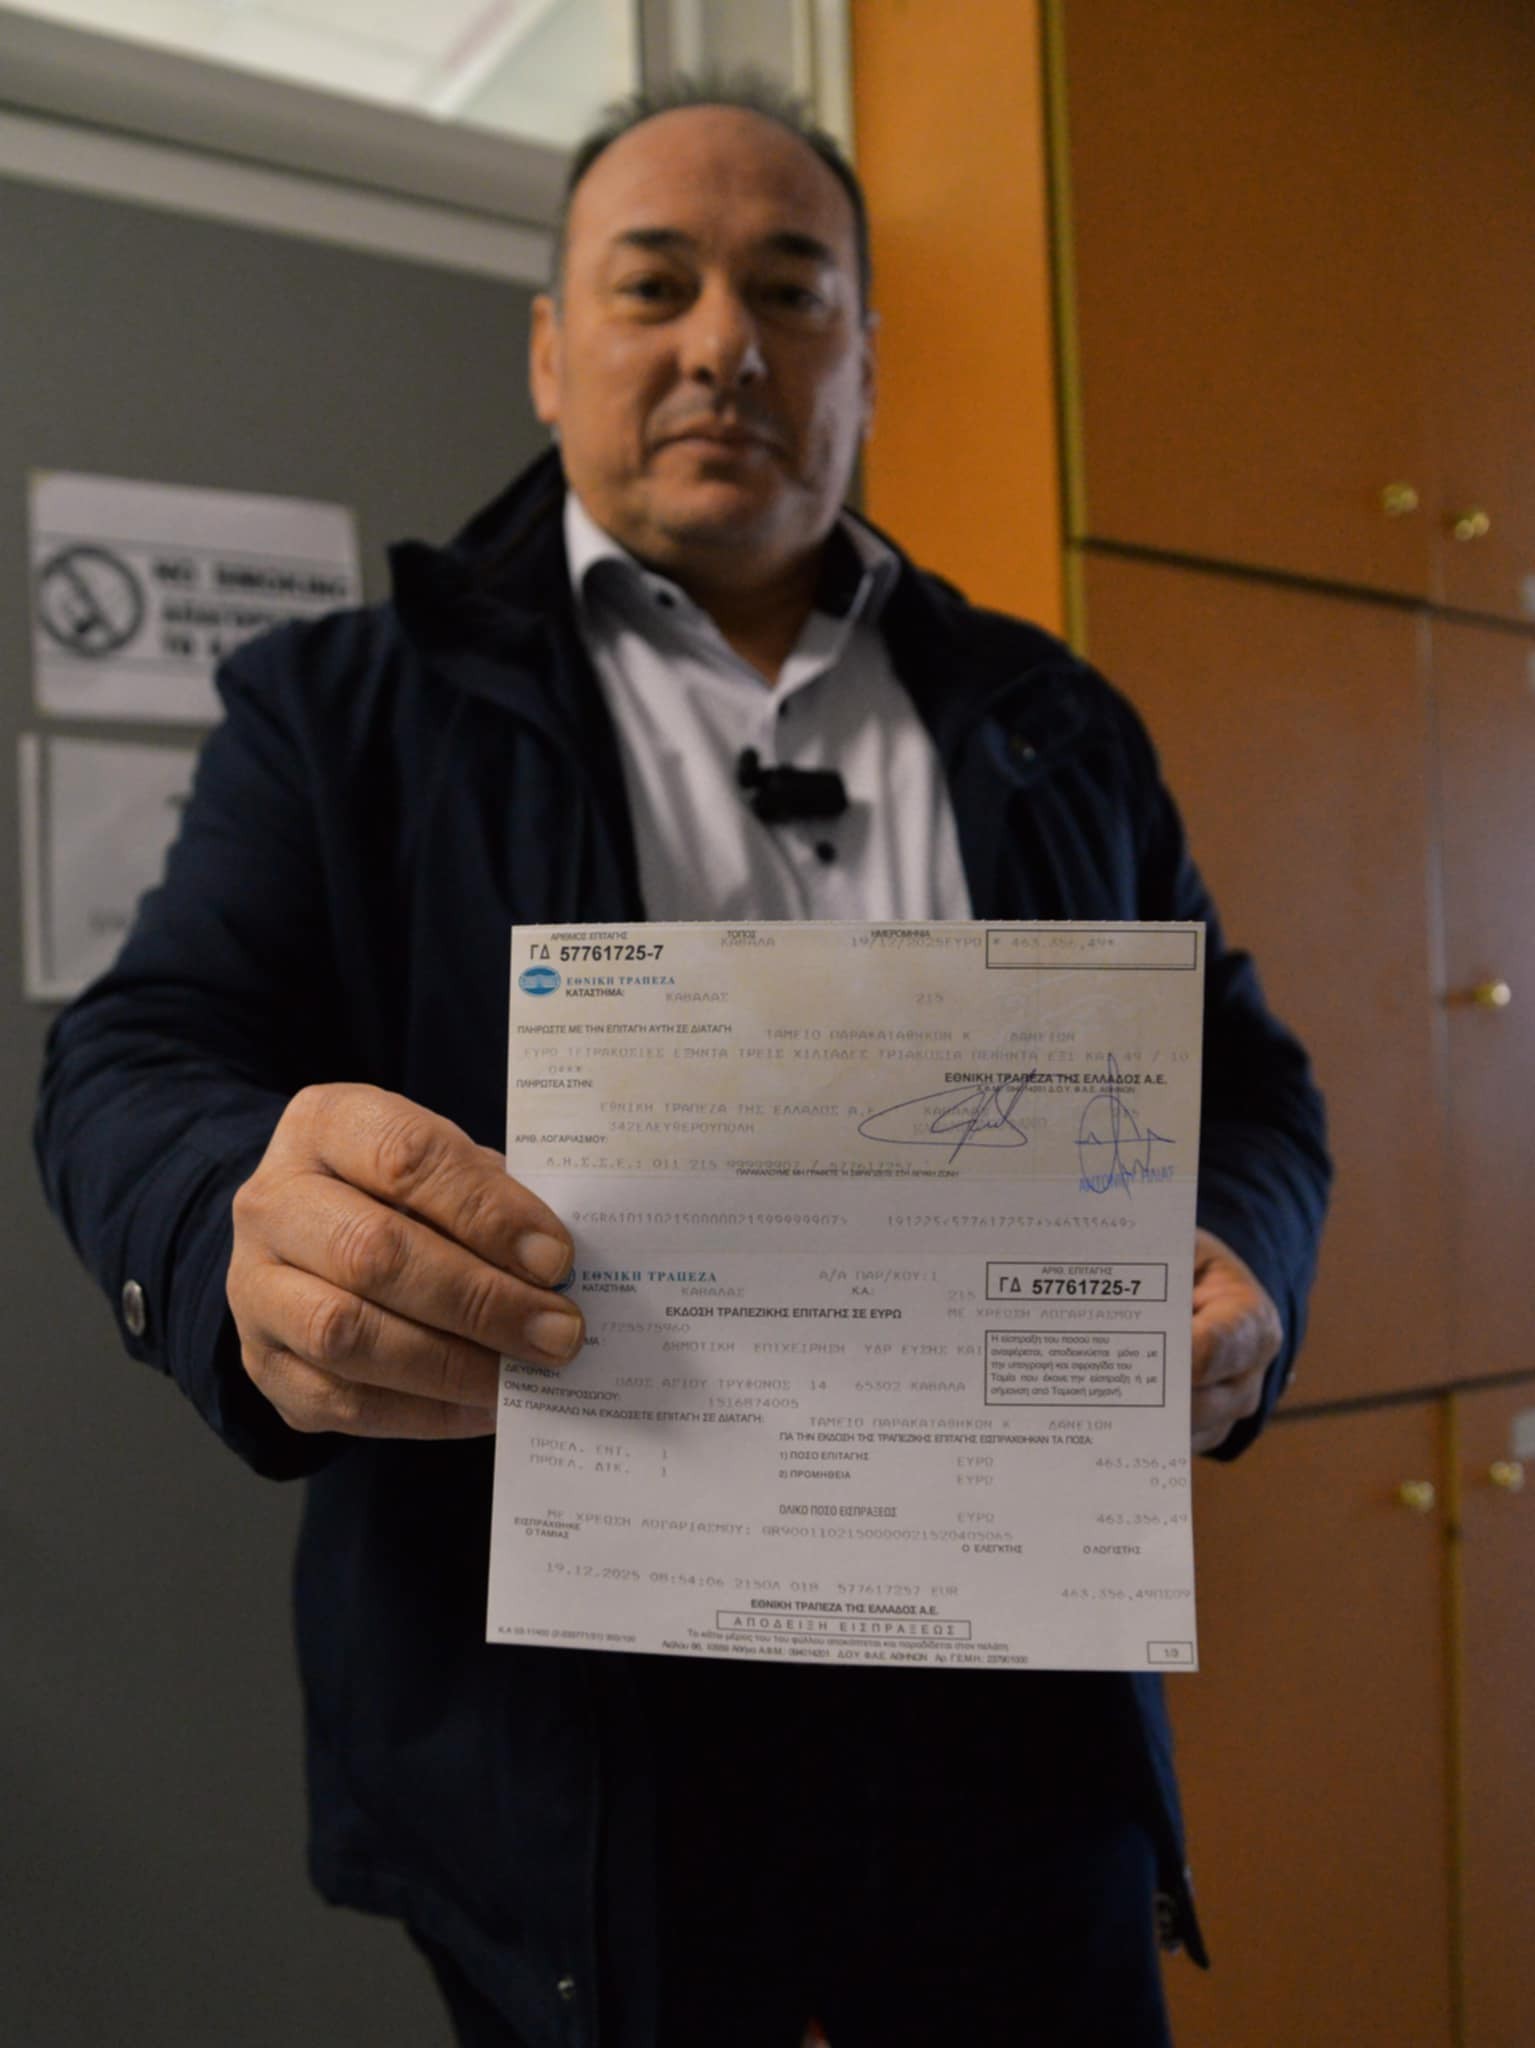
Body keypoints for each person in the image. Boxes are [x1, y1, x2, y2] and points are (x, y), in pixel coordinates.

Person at [35, 76, 1329, 2048]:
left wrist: (1246, 1260)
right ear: (553, 353)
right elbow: (136, 1050)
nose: (726, 341)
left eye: (791, 292)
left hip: (1019, 1746)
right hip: (574, 1780)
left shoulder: (1055, 719)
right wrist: (234, 1220)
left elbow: (1248, 1081)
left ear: (866, 363)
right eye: (655, 286)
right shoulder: (341, 708)